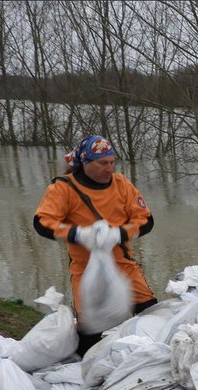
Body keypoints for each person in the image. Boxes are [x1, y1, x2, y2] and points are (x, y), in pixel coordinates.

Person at [33, 135, 157, 356]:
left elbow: (146, 221)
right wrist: (77, 234)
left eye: (112, 162)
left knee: (152, 315)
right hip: (85, 269)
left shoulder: (122, 185)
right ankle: (85, 371)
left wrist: (119, 233)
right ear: (85, 163)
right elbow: (42, 222)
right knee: (90, 333)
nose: (109, 168)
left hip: (124, 266)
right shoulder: (63, 188)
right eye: (102, 163)